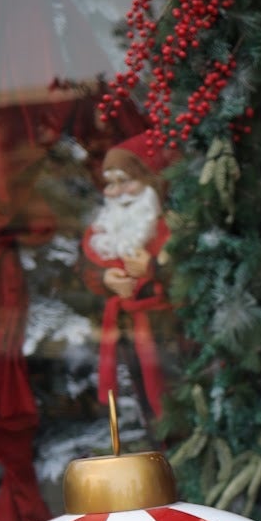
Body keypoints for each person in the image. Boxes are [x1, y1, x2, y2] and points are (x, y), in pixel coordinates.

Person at [81, 135, 172, 423]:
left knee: (168, 403)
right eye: (111, 183)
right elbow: (84, 270)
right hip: (121, 333)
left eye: (126, 180)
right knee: (139, 406)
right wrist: (105, 278)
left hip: (164, 336)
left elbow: (191, 278)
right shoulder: (101, 234)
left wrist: (155, 268)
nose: (118, 191)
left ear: (149, 181)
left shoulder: (168, 230)